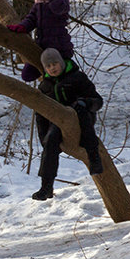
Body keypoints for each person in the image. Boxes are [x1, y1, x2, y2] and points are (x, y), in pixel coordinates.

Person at [32, 48, 105, 201]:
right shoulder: (45, 87)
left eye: (55, 64)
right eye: (49, 66)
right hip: (59, 123)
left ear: (62, 63)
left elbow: (98, 100)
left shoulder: (77, 77)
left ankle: (94, 160)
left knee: (82, 119)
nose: (53, 68)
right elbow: (40, 115)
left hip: (82, 117)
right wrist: (43, 138)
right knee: (50, 141)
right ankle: (46, 187)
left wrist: (85, 103)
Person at [7, 0, 74, 82]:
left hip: (59, 47)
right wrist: (22, 27)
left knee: (59, 78)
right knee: (27, 75)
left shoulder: (62, 2)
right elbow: (31, 19)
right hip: (42, 47)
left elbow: (56, 8)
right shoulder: (38, 4)